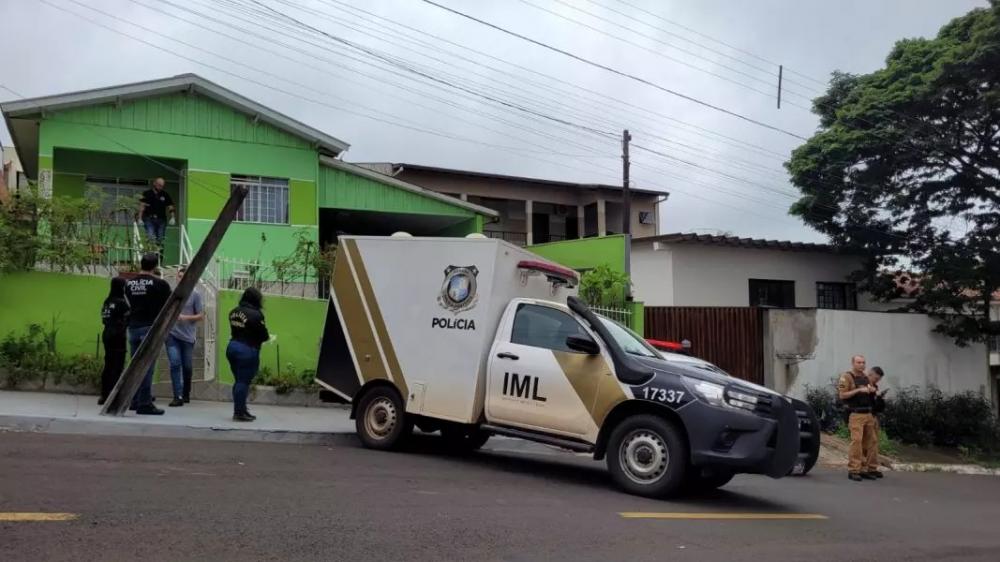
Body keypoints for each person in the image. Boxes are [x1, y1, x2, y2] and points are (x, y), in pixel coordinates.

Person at [124, 253, 173, 415]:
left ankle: (134, 399)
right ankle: (144, 403)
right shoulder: (160, 284)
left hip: (133, 328)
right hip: (150, 328)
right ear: (155, 266)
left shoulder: (129, 284)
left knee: (134, 365)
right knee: (147, 367)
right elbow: (169, 305)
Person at [226, 287, 270, 422]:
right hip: (247, 349)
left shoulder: (233, 312)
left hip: (232, 346)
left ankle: (241, 409)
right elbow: (263, 335)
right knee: (243, 381)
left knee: (238, 381)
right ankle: (239, 412)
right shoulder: (256, 314)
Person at [165, 266, 204, 407]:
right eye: (179, 276)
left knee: (187, 367)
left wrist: (185, 318)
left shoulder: (196, 294)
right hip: (172, 335)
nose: (180, 279)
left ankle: (186, 393)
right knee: (175, 363)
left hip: (188, 337)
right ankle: (178, 396)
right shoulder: (172, 293)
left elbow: (201, 316)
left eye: (183, 276)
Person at [837, 354, 879, 482]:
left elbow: (870, 390)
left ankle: (867, 468)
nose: (862, 365)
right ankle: (854, 470)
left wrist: (872, 391)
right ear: (853, 363)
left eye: (863, 362)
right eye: (859, 362)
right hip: (855, 414)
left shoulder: (865, 377)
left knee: (871, 442)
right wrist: (858, 391)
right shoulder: (846, 377)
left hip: (868, 413)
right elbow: (842, 395)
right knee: (857, 442)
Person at [98, 277, 130, 406]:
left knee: (108, 364)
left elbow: (104, 318)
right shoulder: (121, 302)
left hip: (107, 334)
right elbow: (128, 317)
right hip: (118, 335)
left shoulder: (107, 301)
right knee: (117, 365)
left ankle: (104, 395)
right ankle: (114, 395)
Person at [138, 177, 174, 249]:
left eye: (162, 186)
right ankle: (150, 257)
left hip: (161, 220)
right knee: (150, 237)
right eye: (159, 185)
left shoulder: (165, 194)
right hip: (149, 219)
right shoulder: (147, 193)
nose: (160, 187)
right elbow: (142, 206)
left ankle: (159, 259)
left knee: (160, 240)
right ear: (154, 183)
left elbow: (170, 206)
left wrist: (173, 217)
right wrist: (139, 218)